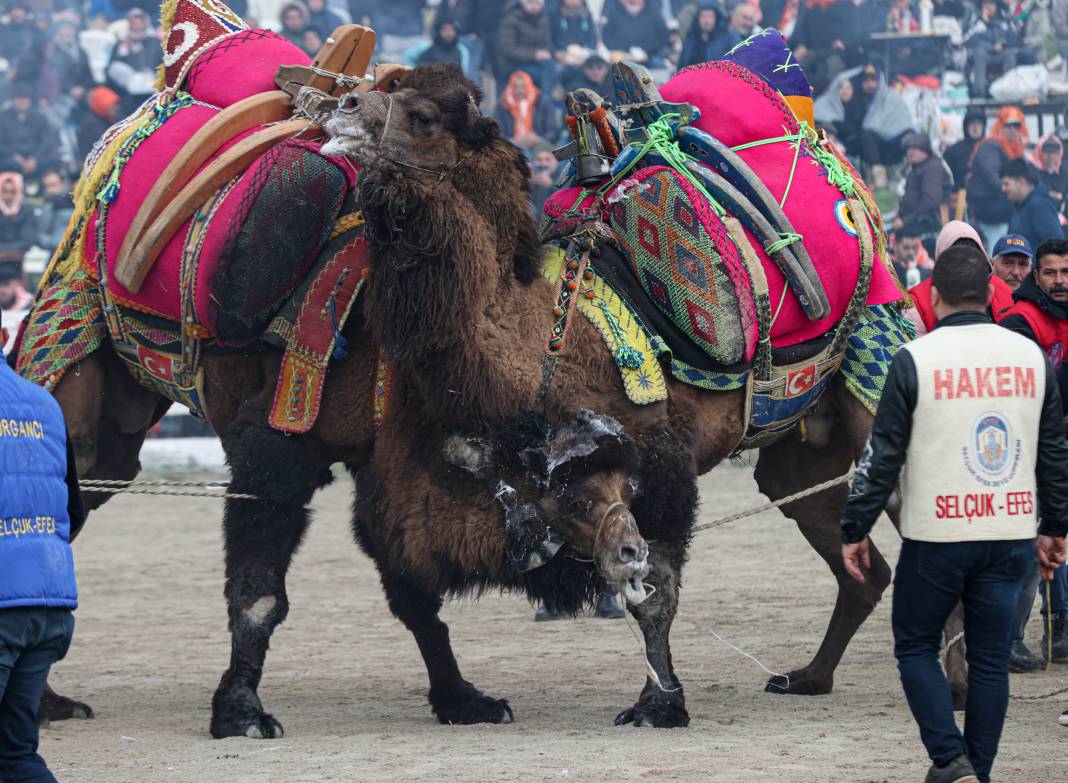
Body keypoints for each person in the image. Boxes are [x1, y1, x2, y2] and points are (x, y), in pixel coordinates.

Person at [840, 242, 1068, 783]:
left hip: (939, 532)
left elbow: (883, 453)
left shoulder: (915, 358)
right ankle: (976, 770)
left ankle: (950, 758)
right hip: (1009, 528)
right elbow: (1053, 450)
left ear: (935, 296)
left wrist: (855, 527)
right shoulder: (1030, 358)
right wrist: (1056, 527)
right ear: (992, 292)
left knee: (916, 643)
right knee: (991, 660)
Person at [0, 308, 84, 783]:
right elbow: (73, 511)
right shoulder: (44, 404)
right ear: (4, 335)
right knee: (17, 756)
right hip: (49, 600)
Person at [813, 62, 914, 186]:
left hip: (884, 146)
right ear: (835, 89)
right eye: (841, 88)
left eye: (848, 88)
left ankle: (874, 181)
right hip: (828, 150)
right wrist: (833, 144)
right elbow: (819, 131)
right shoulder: (824, 106)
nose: (845, 92)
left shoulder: (869, 102)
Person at [906, 221, 1015, 335]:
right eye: (957, 258)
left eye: (971, 254)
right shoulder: (917, 299)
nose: (965, 262)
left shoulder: (1000, 288)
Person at [966, 106, 1027, 250]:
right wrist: (1018, 194)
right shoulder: (990, 146)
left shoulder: (1016, 149)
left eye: (1016, 126)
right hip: (989, 204)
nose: (1013, 130)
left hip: (1004, 202)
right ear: (1000, 126)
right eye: (1008, 125)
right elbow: (993, 178)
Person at [106, 8, 163, 117]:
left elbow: (164, 62)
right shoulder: (121, 44)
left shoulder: (155, 42)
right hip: (129, 94)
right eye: (133, 20)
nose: (137, 23)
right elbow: (111, 69)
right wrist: (124, 50)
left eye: (140, 20)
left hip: (154, 90)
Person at [0, 86, 61, 186]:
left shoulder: (40, 117)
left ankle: (48, 189)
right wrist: (15, 156)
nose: (22, 101)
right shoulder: (2, 118)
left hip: (37, 157)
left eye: (25, 98)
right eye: (19, 98)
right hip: (11, 158)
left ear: (30, 100)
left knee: (54, 161)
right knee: (9, 164)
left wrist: (34, 158)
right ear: (13, 100)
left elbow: (47, 140)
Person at [894, 132, 952, 238]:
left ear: (925, 151)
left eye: (914, 148)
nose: (909, 152)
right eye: (908, 149)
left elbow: (931, 201)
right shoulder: (916, 168)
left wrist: (905, 221)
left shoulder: (932, 168)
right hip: (914, 221)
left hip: (927, 224)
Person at [1000, 158, 1064, 251]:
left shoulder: (1039, 205)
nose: (1003, 189)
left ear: (1021, 182)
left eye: (1006, 184)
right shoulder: (1020, 206)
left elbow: (1057, 245)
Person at [964, 0, 1021, 98]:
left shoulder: (1006, 20)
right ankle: (979, 95)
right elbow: (967, 39)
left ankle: (1008, 94)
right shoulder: (975, 20)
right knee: (979, 54)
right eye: (985, 3)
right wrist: (983, 22)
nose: (988, 7)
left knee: (1009, 56)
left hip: (1001, 54)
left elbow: (1014, 38)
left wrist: (1003, 44)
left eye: (991, 3)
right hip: (983, 54)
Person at [498, 0, 556, 92]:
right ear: (523, 4)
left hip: (537, 63)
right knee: (543, 73)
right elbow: (508, 50)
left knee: (551, 66)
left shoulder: (543, 20)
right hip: (513, 64)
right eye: (530, 2)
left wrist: (548, 53)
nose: (534, 6)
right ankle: (544, 101)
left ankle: (544, 100)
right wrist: (534, 54)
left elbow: (547, 44)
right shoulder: (511, 20)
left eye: (537, 3)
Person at [602, 0, 672, 65]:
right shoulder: (614, 12)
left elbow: (663, 35)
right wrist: (621, 50)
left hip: (650, 56)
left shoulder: (653, 10)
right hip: (622, 57)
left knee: (659, 65)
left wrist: (648, 51)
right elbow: (606, 36)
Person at [678, 0, 740, 69]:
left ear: (716, 18)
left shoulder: (729, 37)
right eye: (703, 16)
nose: (706, 21)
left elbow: (738, 61)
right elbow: (682, 64)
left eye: (710, 16)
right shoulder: (691, 38)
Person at [945, 108, 986, 195]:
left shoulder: (991, 148)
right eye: (972, 124)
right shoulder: (953, 151)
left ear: (983, 127)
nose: (975, 127)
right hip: (960, 195)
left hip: (986, 196)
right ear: (966, 127)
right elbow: (945, 178)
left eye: (979, 123)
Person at [0, 173, 37, 267]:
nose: (8, 195)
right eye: (5, 191)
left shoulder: (27, 210)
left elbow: (27, 241)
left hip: (21, 260)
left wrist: (5, 254)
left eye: (13, 191)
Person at [1034, 136, 1068, 213]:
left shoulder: (1065, 170)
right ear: (1040, 152)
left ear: (1060, 154)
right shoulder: (1032, 170)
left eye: (1055, 153)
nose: (1051, 156)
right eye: (1047, 152)